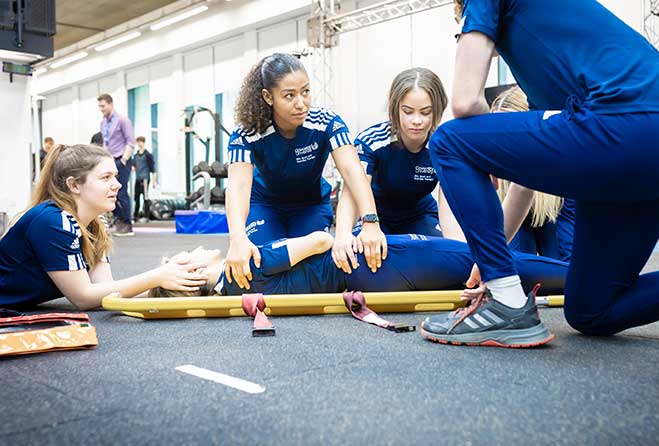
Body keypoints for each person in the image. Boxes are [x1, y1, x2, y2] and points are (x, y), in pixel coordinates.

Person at [419, 0, 659, 347]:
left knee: (449, 139)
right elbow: (526, 181)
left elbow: (464, 102)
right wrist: (491, 259)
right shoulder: (550, 55)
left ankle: (507, 307)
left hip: (623, 127)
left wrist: (480, 153)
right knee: (592, 311)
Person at [225, 53, 386, 291]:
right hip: (265, 206)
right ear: (268, 97)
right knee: (258, 262)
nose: (301, 103)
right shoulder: (246, 133)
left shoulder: (327, 122)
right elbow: (238, 186)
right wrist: (237, 238)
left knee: (318, 261)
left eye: (306, 91)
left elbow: (353, 171)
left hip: (310, 205)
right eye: (289, 96)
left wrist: (370, 222)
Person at [0, 144, 209, 310]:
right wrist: (158, 276)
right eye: (105, 177)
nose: (117, 184)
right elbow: (84, 297)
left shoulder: (95, 223)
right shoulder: (52, 221)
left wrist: (173, 281)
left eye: (115, 176)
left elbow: (104, 291)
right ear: (74, 186)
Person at [149, 232, 567, 299]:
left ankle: (576, 278)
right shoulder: (245, 265)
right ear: (194, 275)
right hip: (369, 265)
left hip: (368, 276)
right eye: (182, 259)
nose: (195, 248)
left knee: (478, 261)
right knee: (483, 258)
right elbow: (323, 239)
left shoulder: (238, 286)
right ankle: (581, 278)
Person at [333, 68, 449, 269]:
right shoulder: (373, 140)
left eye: (426, 112)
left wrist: (457, 248)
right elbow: (352, 191)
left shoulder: (443, 145)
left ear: (437, 110)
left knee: (440, 256)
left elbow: (450, 204)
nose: (416, 120)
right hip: (375, 214)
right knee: (360, 256)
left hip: (419, 215)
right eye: (408, 111)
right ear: (396, 108)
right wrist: (342, 235)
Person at [491, 87, 575, 262]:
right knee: (517, 261)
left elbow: (568, 252)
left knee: (561, 265)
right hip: (512, 217)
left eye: (510, 131)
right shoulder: (491, 161)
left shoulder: (562, 163)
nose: (503, 141)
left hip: (552, 210)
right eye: (497, 132)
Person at [98, 93, 136, 237]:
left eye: (103, 106)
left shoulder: (122, 120)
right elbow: (105, 143)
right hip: (109, 161)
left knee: (121, 192)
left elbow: (130, 142)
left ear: (110, 104)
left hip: (121, 160)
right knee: (107, 192)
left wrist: (123, 160)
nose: (101, 109)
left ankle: (127, 224)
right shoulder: (103, 123)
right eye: (99, 106)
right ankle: (119, 220)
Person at [132, 136, 157, 222]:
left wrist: (154, 181)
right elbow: (133, 166)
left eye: (140, 142)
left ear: (143, 142)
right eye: (138, 142)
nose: (139, 144)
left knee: (145, 197)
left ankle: (146, 216)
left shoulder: (148, 155)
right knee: (136, 197)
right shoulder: (135, 155)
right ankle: (135, 216)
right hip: (137, 179)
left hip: (145, 179)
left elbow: (153, 169)